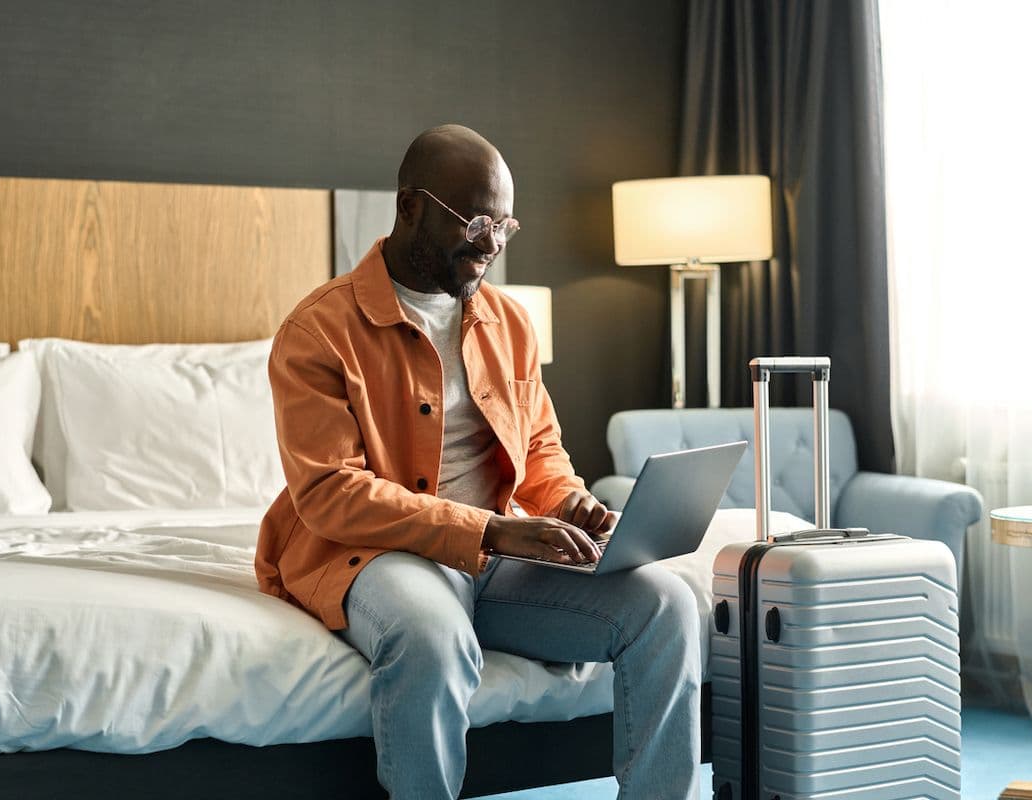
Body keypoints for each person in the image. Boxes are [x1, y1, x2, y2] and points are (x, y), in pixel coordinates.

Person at [255, 124, 699, 800]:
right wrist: (491, 531)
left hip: (495, 555)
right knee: (432, 637)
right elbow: (331, 493)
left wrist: (569, 503)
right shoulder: (318, 330)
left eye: (504, 226)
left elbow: (540, 448)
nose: (491, 244)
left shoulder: (509, 321)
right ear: (410, 207)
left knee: (666, 606)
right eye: (475, 223)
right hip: (375, 552)